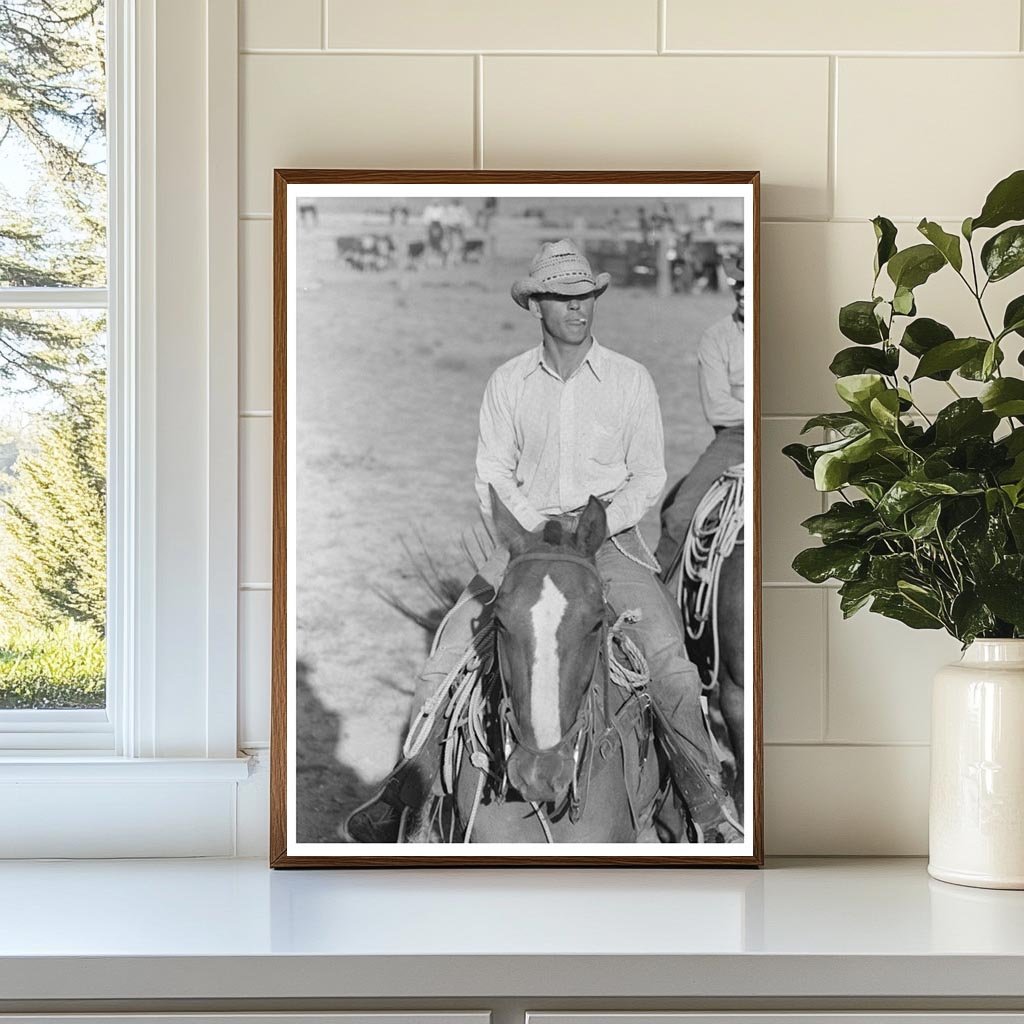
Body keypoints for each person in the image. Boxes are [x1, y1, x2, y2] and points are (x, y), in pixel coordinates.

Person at [346, 239, 739, 844]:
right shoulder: (508, 383)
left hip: (608, 540)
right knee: (446, 657)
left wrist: (597, 524)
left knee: (672, 667)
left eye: (586, 295)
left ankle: (706, 808)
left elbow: (649, 475)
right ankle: (410, 801)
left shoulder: (630, 380)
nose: (579, 308)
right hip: (525, 540)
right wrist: (530, 533)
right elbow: (493, 474)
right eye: (563, 296)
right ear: (537, 305)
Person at [655, 255, 745, 581]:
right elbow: (718, 408)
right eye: (738, 283)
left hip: (788, 432)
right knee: (680, 515)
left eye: (752, 283)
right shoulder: (717, 337)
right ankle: (653, 603)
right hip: (736, 438)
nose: (744, 292)